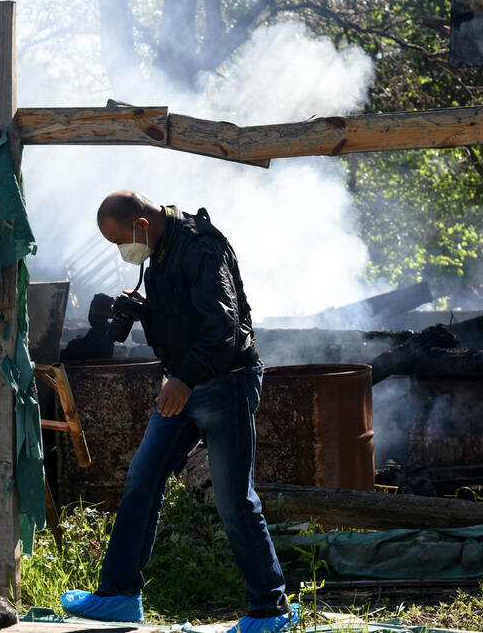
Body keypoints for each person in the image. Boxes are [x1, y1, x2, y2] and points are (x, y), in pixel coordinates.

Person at [61, 191, 296, 633]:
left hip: (224, 383)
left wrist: (184, 379)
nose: (120, 251)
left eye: (119, 241)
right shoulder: (159, 251)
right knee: (142, 478)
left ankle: (271, 609)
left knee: (234, 500)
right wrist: (142, 310)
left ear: (142, 226)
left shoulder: (202, 247)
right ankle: (119, 595)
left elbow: (224, 329)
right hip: (183, 385)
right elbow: (183, 313)